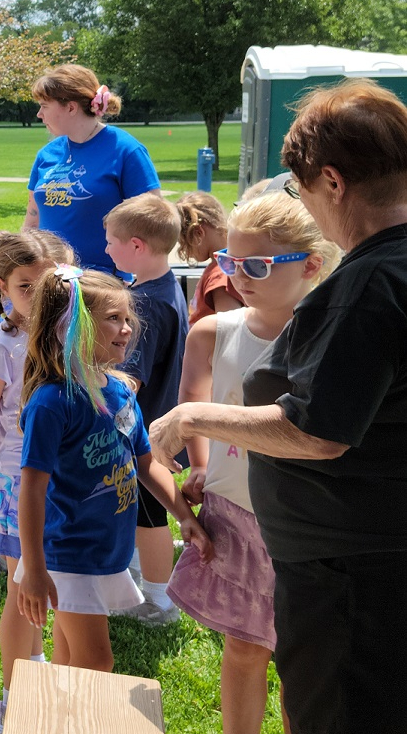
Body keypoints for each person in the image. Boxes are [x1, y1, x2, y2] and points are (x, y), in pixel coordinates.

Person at [149, 78, 407, 731]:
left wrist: (190, 417)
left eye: (306, 194)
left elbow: (317, 432)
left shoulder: (370, 282)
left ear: (333, 182)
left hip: (353, 576)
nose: (313, 211)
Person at [167, 195, 336, 734]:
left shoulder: (334, 337)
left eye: (257, 265)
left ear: (311, 265)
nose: (239, 277)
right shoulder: (212, 332)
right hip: (235, 510)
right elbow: (192, 408)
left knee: (298, 660)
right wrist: (197, 466)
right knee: (243, 648)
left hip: (302, 523)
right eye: (229, 263)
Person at [13, 267, 211, 674]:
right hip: (67, 554)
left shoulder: (119, 390)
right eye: (112, 318)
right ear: (73, 328)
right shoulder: (53, 403)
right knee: (96, 662)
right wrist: (33, 569)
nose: (126, 329)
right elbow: (31, 490)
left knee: (69, 660)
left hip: (105, 550)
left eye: (126, 319)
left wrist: (184, 517)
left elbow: (144, 463)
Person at [0, 233, 62, 731]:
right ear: (2, 287)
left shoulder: (66, 335)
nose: (39, 296)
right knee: (19, 586)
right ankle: (11, 695)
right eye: (27, 286)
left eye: (49, 285)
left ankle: (36, 661)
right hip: (14, 481)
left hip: (57, 477)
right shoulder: (0, 348)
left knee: (42, 581)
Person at [100, 194, 189, 625]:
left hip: (146, 433)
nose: (105, 249)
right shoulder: (161, 285)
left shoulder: (146, 305)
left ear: (137, 246)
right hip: (157, 425)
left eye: (111, 241)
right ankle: (146, 576)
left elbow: (129, 379)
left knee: (149, 515)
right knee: (142, 512)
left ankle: (160, 600)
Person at [23, 64, 162, 277]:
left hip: (103, 284)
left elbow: (154, 222)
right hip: (49, 281)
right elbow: (33, 220)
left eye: (44, 105)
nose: (39, 114)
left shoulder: (125, 150)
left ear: (70, 107)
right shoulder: (46, 154)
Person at [177, 192, 242, 324]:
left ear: (198, 233)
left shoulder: (221, 275)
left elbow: (227, 328)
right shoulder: (219, 267)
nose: (186, 251)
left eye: (184, 244)